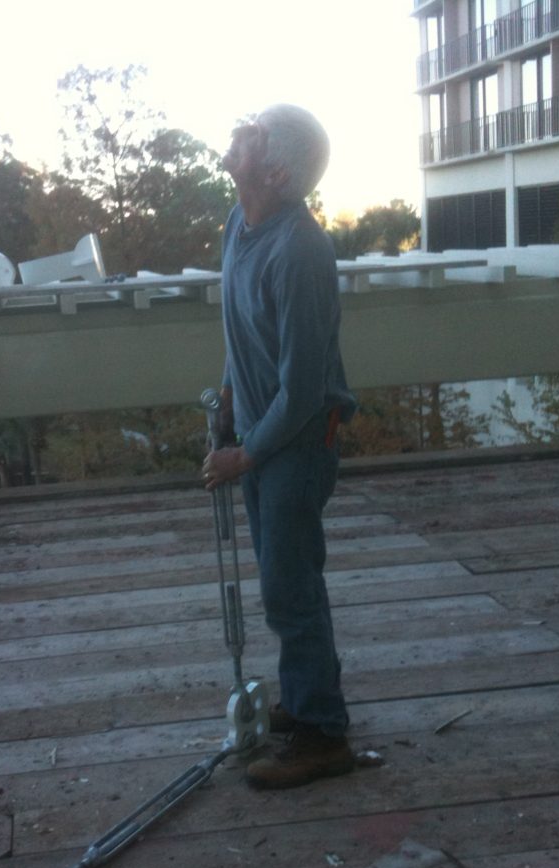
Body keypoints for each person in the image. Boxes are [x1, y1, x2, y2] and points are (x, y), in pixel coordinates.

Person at [202, 104, 357, 790]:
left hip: (295, 443)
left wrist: (244, 455)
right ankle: (309, 694)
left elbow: (302, 390)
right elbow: (243, 330)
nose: (239, 132)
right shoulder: (241, 224)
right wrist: (231, 397)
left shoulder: (301, 251)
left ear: (277, 170)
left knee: (289, 590)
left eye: (255, 132)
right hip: (264, 435)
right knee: (287, 581)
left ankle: (324, 736)